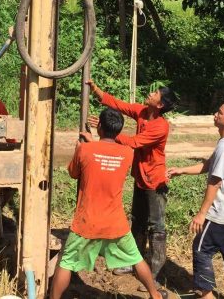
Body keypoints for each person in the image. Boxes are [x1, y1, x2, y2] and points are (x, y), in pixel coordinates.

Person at [50, 107, 167, 299]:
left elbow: (73, 173)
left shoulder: (84, 149)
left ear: (100, 128)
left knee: (67, 263)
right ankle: (155, 295)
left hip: (87, 222)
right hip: (115, 222)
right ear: (118, 130)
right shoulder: (127, 153)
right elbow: (108, 155)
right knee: (137, 259)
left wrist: (82, 147)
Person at [86, 80, 177, 289]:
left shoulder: (161, 127)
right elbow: (120, 105)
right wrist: (97, 90)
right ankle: (133, 263)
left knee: (156, 227)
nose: (151, 93)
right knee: (137, 222)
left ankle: (153, 275)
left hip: (155, 182)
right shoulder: (144, 112)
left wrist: (108, 134)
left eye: (155, 93)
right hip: (141, 178)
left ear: (160, 104)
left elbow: (135, 142)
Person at [167, 100, 224, 299]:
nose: (215, 115)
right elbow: (209, 165)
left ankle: (205, 294)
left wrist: (202, 214)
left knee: (200, 249)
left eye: (219, 113)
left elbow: (215, 181)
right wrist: (182, 170)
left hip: (218, 216)